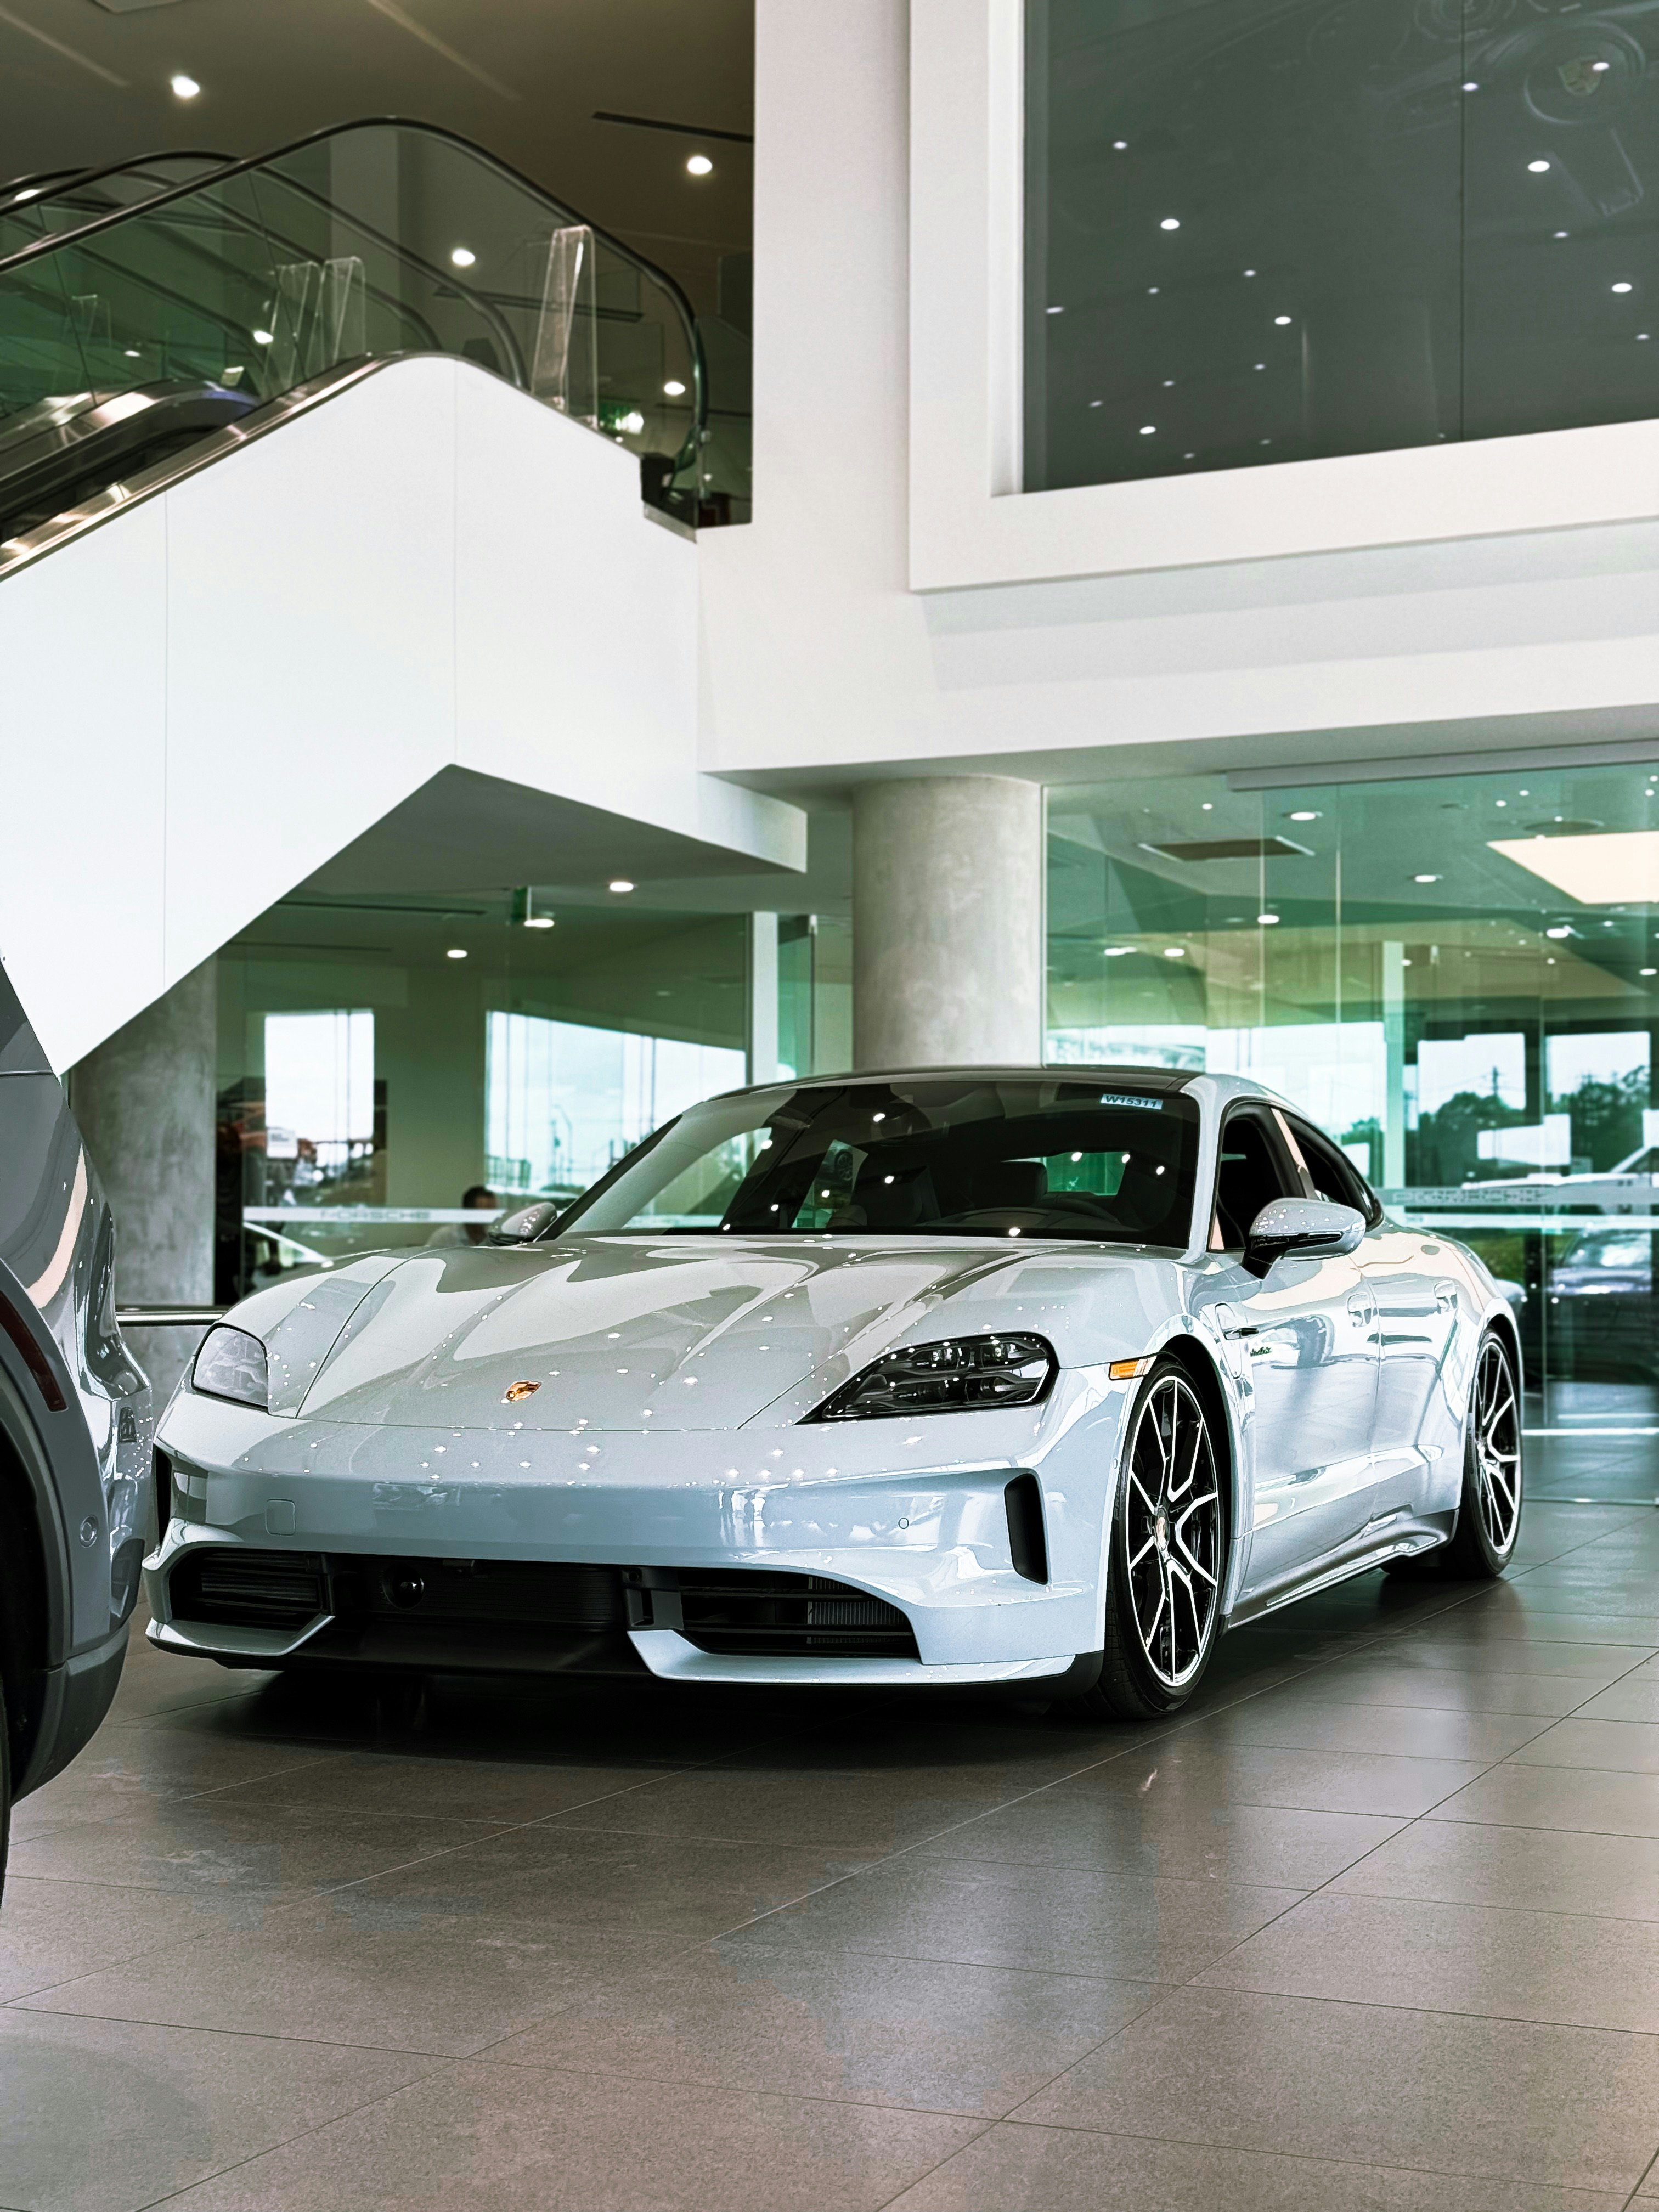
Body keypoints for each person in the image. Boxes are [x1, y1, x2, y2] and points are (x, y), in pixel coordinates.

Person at [425, 1184, 499, 1248]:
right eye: (485, 1211)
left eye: (493, 1211)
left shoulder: (495, 1238)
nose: (491, 1217)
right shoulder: (444, 1237)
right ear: (468, 1211)